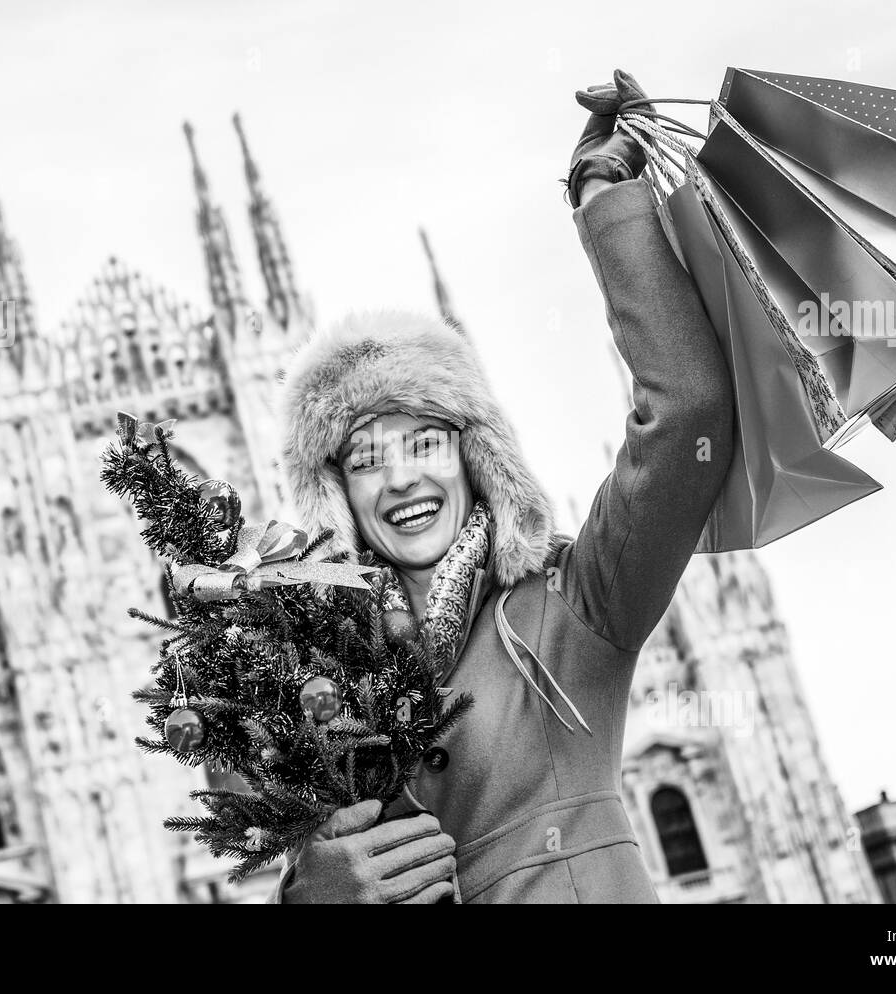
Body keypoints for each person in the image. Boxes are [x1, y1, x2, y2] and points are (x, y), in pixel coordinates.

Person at [271, 70, 733, 904]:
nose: (403, 477)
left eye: (424, 441)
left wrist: (605, 201)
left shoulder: (572, 604)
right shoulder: (322, 689)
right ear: (335, 495)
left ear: (473, 456)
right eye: (366, 458)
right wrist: (310, 894)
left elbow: (690, 414)